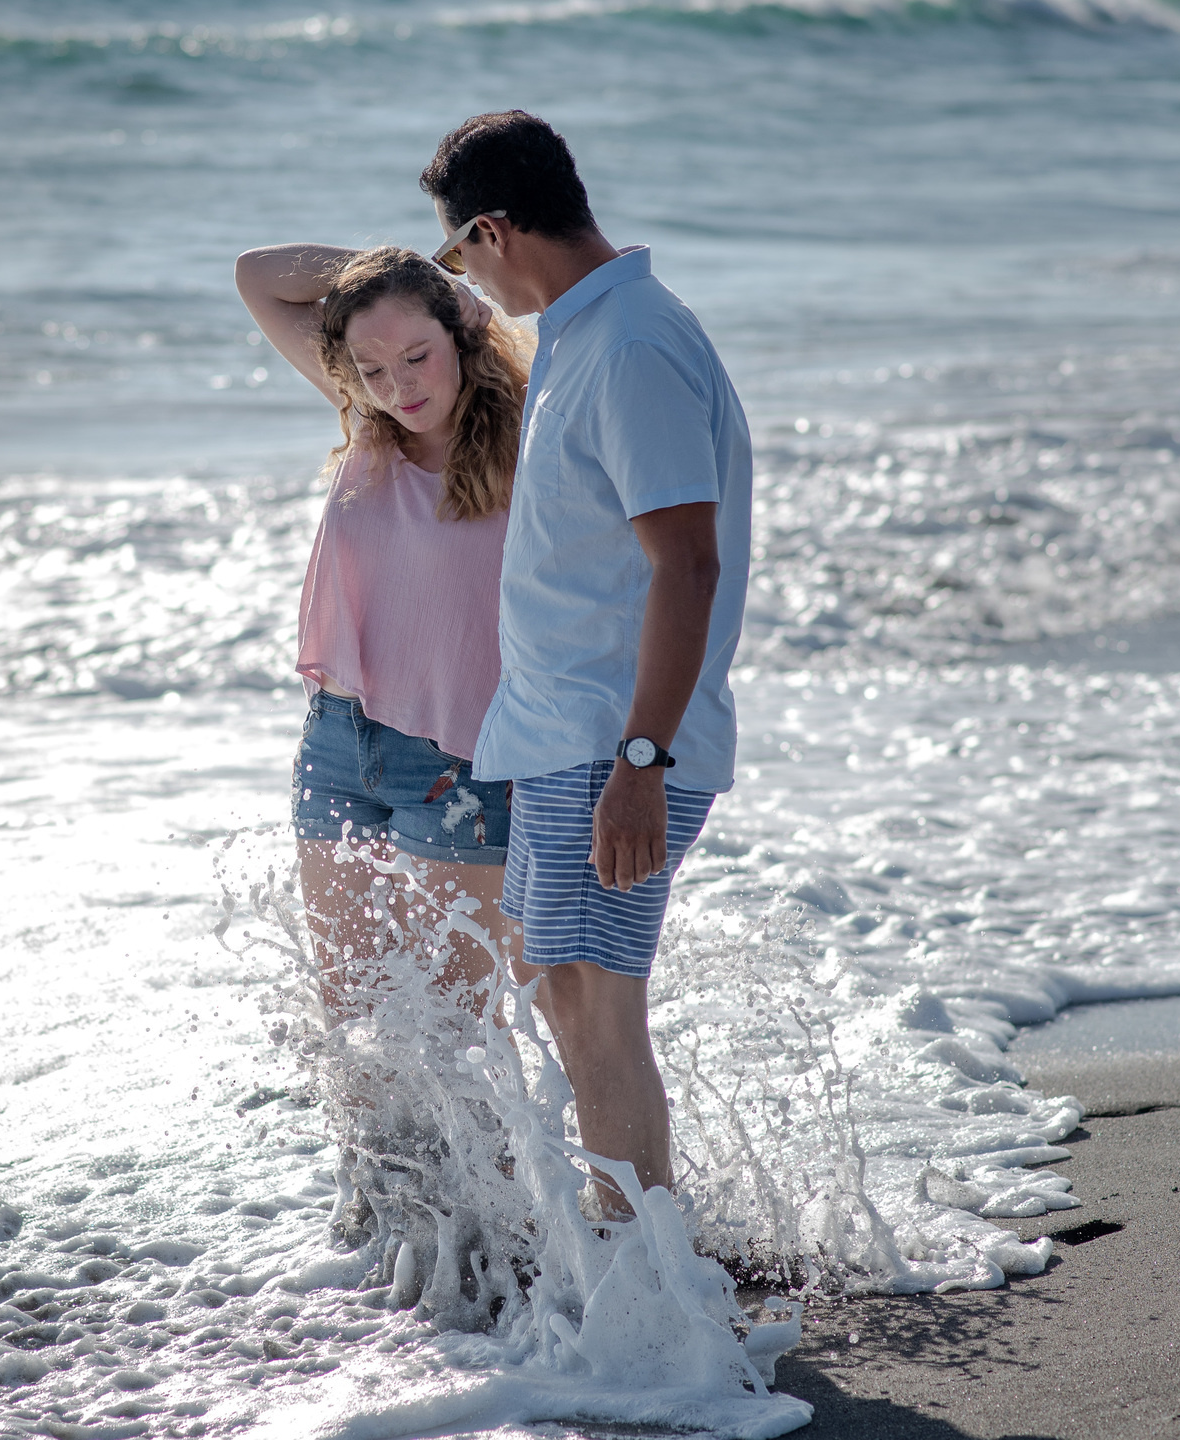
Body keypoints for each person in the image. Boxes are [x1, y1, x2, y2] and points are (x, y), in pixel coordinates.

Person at [421, 110, 754, 1210]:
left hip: (610, 745)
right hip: (571, 737)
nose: (464, 277)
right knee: (569, 996)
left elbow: (689, 563)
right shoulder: (588, 333)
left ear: (494, 229)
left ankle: (649, 1293)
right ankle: (647, 1264)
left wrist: (641, 762)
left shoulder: (629, 346)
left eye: (455, 251)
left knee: (589, 1000)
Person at [231, 242, 532, 1017]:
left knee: (459, 1027)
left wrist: (441, 288)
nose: (399, 386)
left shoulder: (535, 435)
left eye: (417, 355)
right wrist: (410, 281)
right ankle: (368, 1149)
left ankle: (497, 1148)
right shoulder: (372, 423)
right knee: (354, 1018)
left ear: (463, 333)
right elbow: (258, 277)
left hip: (460, 761)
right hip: (338, 742)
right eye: (372, 369)